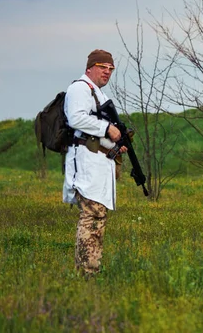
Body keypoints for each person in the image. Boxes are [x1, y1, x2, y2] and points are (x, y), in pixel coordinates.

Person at [63, 49, 126, 277]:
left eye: (110, 69)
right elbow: (76, 118)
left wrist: (113, 144)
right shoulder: (80, 88)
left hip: (98, 163)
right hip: (87, 165)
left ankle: (89, 270)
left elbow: (93, 131)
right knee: (92, 217)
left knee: (97, 217)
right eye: (102, 67)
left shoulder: (96, 92)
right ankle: (87, 273)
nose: (107, 72)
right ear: (90, 67)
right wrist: (107, 129)